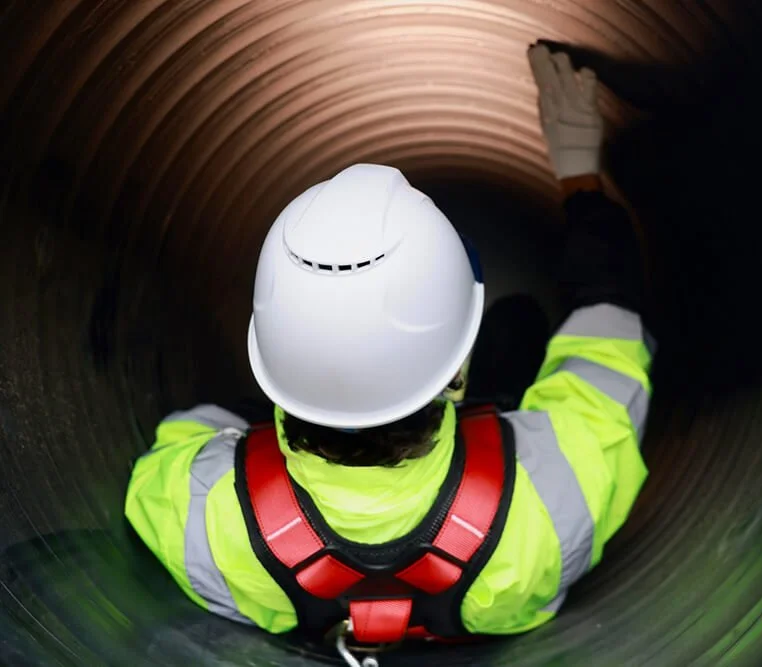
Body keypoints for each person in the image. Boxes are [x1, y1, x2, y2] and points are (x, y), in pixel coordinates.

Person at [124, 43, 655, 658]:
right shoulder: (563, 489)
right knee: (519, 325)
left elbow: (187, 435)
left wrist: (242, 431)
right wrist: (581, 176)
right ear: (457, 370)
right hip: (497, 542)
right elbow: (609, 325)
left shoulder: (192, 514)